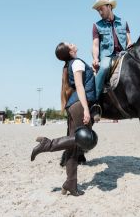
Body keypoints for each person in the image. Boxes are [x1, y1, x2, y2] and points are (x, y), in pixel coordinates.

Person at [31, 42, 97, 196]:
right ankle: (48, 144)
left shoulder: (70, 65)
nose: (73, 43)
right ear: (70, 51)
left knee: (73, 145)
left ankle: (70, 183)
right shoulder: (78, 63)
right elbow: (80, 87)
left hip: (73, 105)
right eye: (70, 44)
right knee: (82, 140)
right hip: (80, 105)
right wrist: (87, 109)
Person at [92, 0, 133, 100]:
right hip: (107, 56)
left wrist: (130, 45)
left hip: (124, 53)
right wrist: (96, 59)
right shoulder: (97, 26)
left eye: (101, 9)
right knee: (105, 67)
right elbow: (95, 45)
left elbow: (129, 41)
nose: (100, 12)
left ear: (109, 6)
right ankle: (95, 100)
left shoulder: (123, 22)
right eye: (98, 11)